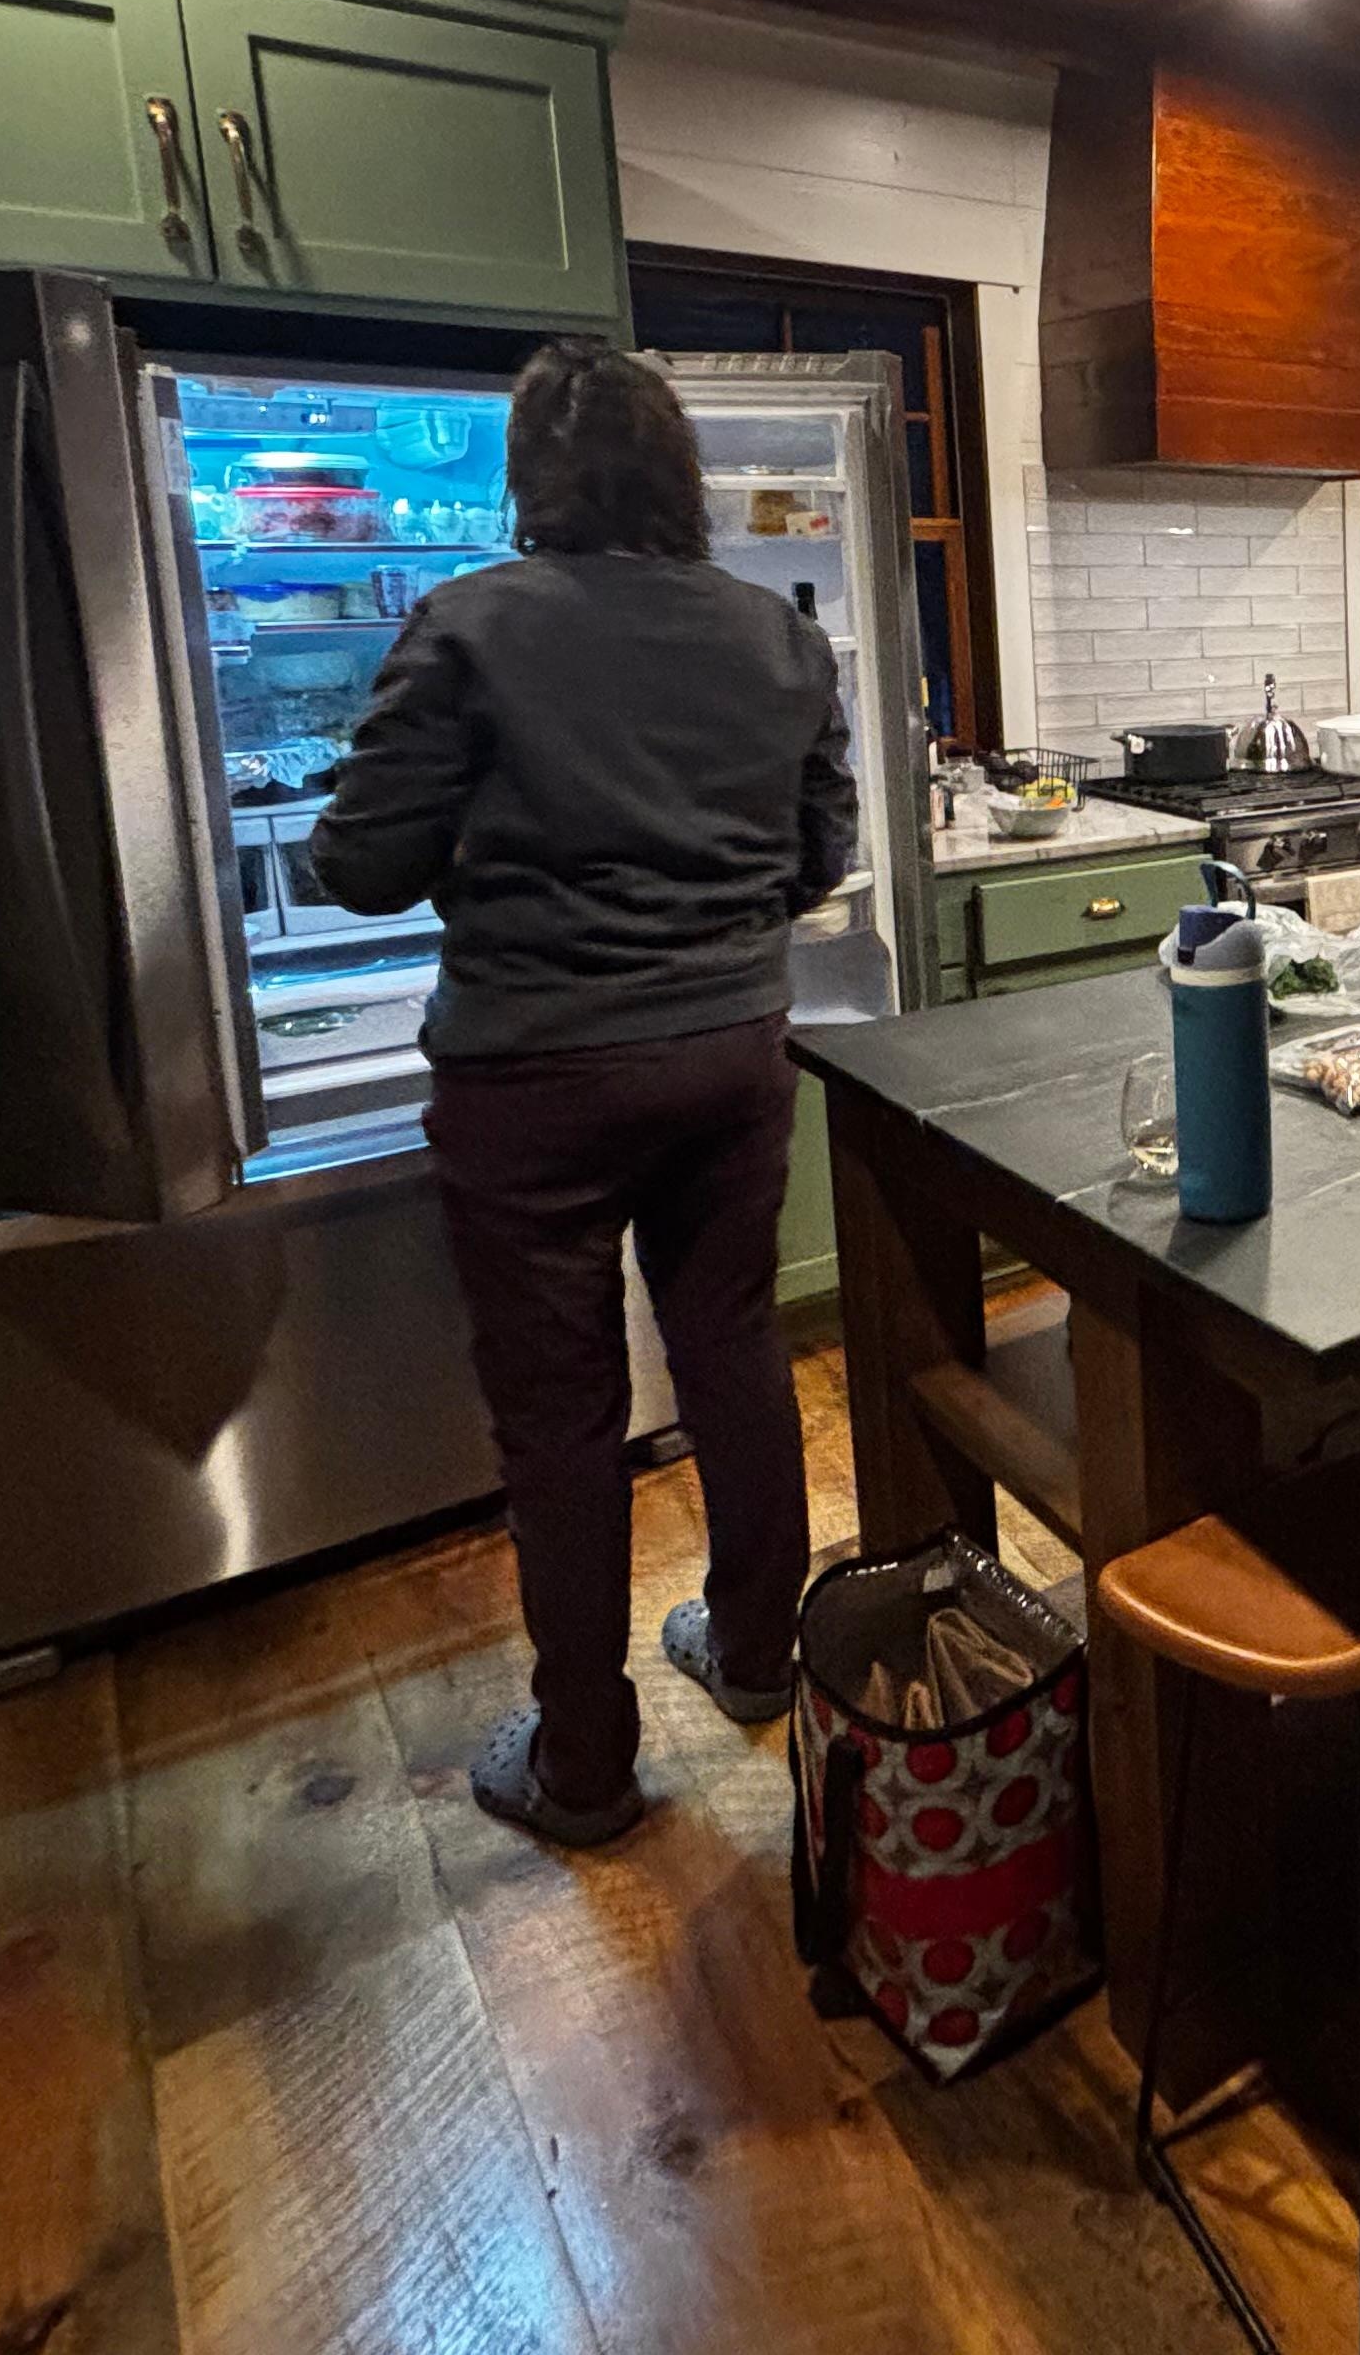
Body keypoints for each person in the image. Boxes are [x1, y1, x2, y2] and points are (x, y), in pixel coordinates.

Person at [314, 337, 856, 1851]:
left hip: (532, 1076)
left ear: (528, 480)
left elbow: (363, 866)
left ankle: (588, 1764)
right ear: (680, 477)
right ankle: (756, 1655)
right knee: (734, 1351)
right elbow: (818, 856)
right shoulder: (778, 635)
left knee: (562, 1418)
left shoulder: (469, 626)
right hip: (729, 1055)